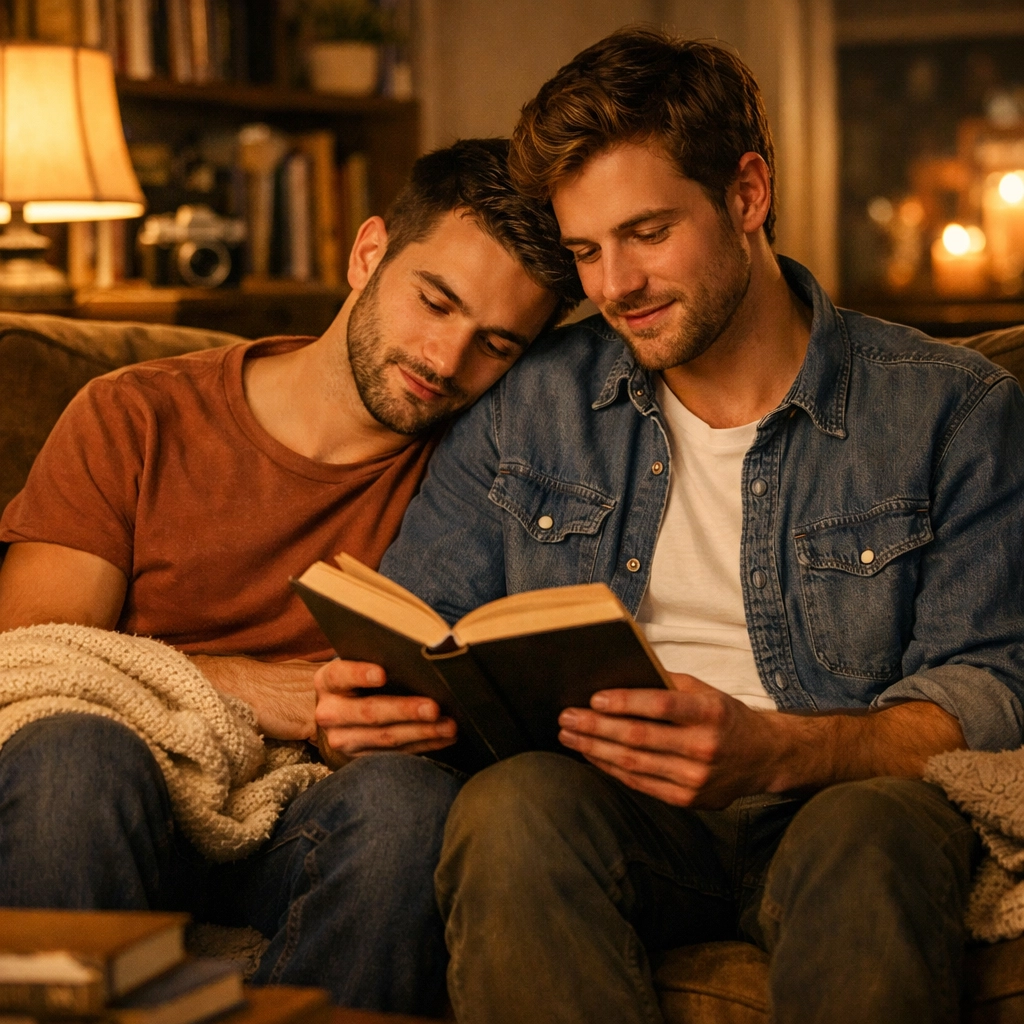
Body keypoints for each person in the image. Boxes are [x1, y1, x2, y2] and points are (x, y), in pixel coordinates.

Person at [316, 29, 1024, 1024]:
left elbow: (987, 696)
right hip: (612, 805)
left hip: (833, 800)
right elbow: (427, 620)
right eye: (585, 251)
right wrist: (369, 707)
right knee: (511, 807)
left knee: (873, 835)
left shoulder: (951, 410)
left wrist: (774, 750)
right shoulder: (531, 405)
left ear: (745, 195)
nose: (613, 288)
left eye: (646, 233)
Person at [0, 138, 580, 1015]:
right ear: (368, 252)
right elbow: (28, 666)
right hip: (118, 796)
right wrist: (256, 693)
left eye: (495, 344)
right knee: (74, 755)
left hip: (303, 819)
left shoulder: (480, 481)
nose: (446, 360)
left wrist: (372, 731)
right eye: (435, 301)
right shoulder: (135, 413)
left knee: (404, 805)